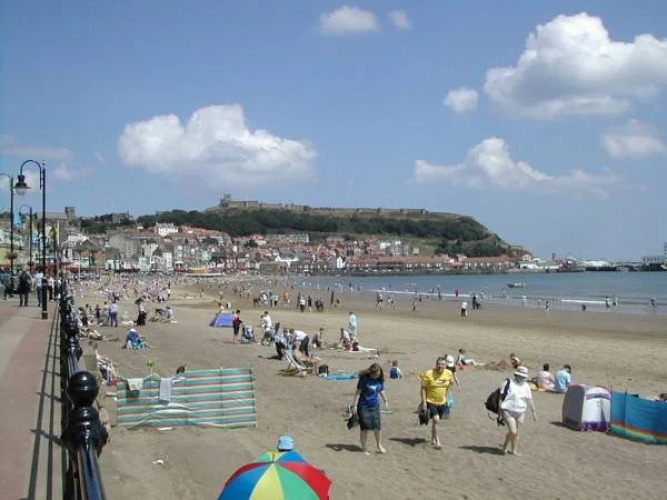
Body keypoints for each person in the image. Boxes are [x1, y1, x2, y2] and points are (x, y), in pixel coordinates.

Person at [499, 366, 537, 455]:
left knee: (517, 432)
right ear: (516, 375)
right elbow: (500, 398)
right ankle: (505, 445)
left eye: (524, 377)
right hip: (508, 410)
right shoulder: (507, 383)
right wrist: (499, 411)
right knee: (513, 431)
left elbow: (530, 399)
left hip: (521, 412)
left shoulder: (526, 386)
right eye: (521, 376)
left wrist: (534, 412)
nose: (522, 378)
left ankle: (514, 450)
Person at [351, 363, 388, 454]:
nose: (377, 376)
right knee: (365, 428)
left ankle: (379, 445)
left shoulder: (379, 380)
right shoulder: (364, 380)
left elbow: (381, 390)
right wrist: (354, 406)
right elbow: (358, 393)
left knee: (377, 427)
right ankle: (364, 448)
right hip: (363, 406)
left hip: (375, 406)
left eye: (379, 374)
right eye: (376, 374)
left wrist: (386, 401)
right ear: (371, 373)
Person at [419, 356, 454, 449]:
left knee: (435, 423)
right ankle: (437, 441)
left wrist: (447, 396)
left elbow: (451, 383)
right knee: (436, 420)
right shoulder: (429, 373)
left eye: (443, 364)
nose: (440, 366)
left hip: (442, 402)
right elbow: (423, 388)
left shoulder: (449, 373)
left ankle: (432, 439)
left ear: (446, 365)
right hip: (431, 401)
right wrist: (424, 402)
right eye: (438, 364)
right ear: (436, 364)